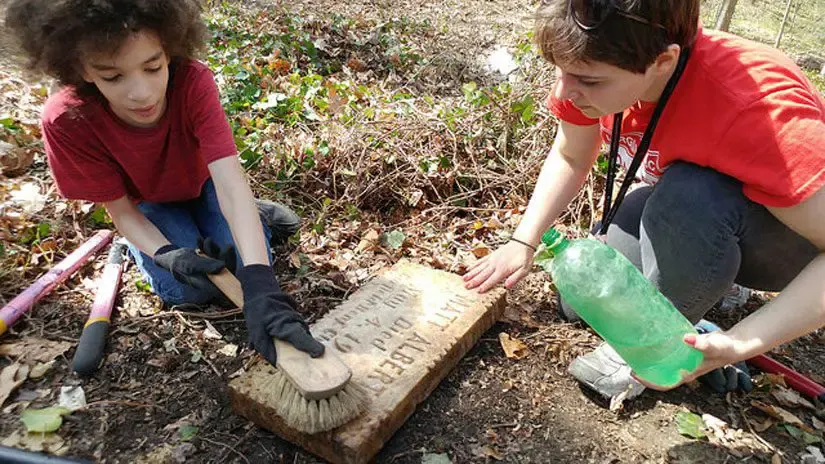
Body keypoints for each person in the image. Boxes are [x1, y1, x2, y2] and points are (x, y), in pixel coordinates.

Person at [464, 0, 825, 400]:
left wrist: (742, 342)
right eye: (562, 71)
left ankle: (654, 346)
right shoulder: (594, 64)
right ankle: (711, 293)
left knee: (689, 197)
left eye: (589, 80)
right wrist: (523, 241)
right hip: (703, 211)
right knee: (584, 293)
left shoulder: (757, 109)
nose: (565, 91)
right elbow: (571, 153)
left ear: (664, 62)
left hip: (793, 243)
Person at [5, 0, 325, 366]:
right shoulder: (67, 119)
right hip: (149, 205)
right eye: (113, 76)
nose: (141, 93)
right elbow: (121, 211)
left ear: (169, 50)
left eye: (153, 67)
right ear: (81, 68)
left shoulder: (193, 82)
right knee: (185, 289)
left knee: (247, 262)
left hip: (206, 186)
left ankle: (257, 216)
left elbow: (231, 187)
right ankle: (158, 246)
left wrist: (262, 284)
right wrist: (167, 254)